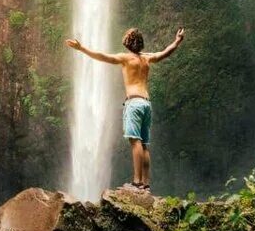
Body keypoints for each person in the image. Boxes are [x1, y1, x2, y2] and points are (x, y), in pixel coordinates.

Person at [65, 27, 185, 192]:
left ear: (129, 41)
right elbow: (165, 52)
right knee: (143, 144)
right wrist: (177, 41)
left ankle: (136, 182)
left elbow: (102, 56)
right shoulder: (147, 58)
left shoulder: (125, 58)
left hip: (134, 103)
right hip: (146, 103)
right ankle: (146, 183)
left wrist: (82, 48)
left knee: (135, 141)